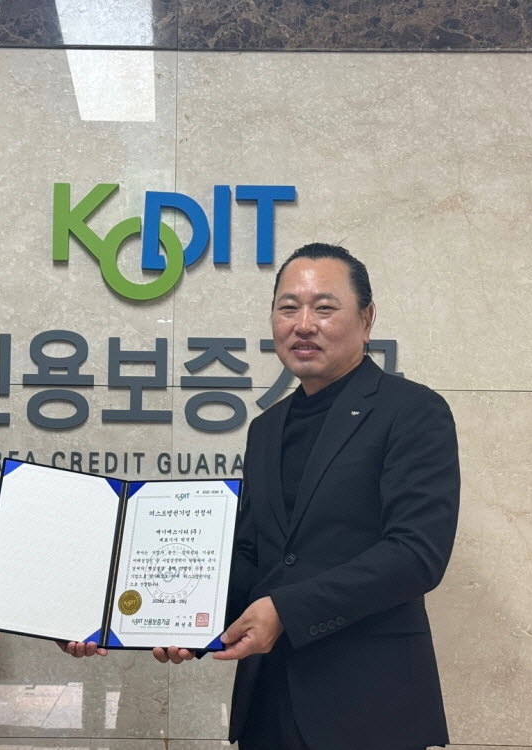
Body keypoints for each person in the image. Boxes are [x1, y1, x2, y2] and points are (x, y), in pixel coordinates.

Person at [154, 243, 460, 750]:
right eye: (288, 307)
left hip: (371, 707)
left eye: (324, 308)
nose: (303, 324)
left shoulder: (412, 411)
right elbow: (252, 555)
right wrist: (181, 621)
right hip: (268, 704)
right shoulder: (267, 428)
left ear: (366, 319)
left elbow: (416, 554)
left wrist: (285, 611)